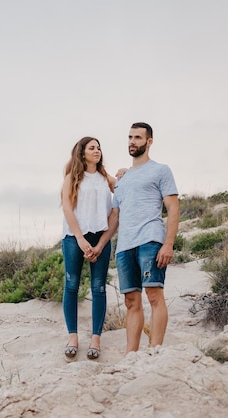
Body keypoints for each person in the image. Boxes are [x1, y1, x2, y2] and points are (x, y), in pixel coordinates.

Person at [92, 122, 179, 353]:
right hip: (124, 246)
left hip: (150, 239)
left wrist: (168, 243)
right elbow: (115, 217)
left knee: (154, 294)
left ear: (149, 142)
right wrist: (101, 245)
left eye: (138, 138)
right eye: (130, 137)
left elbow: (173, 208)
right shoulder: (122, 180)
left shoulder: (161, 170)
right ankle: (132, 356)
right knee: (131, 301)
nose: (132, 141)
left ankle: (155, 351)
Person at [61, 136, 115, 360]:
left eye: (99, 147)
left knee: (99, 287)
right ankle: (72, 336)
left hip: (100, 236)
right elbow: (67, 208)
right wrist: (82, 240)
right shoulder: (72, 178)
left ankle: (96, 338)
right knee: (72, 285)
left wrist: (101, 243)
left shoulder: (105, 179)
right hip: (74, 237)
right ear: (82, 152)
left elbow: (116, 210)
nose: (97, 151)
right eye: (92, 148)